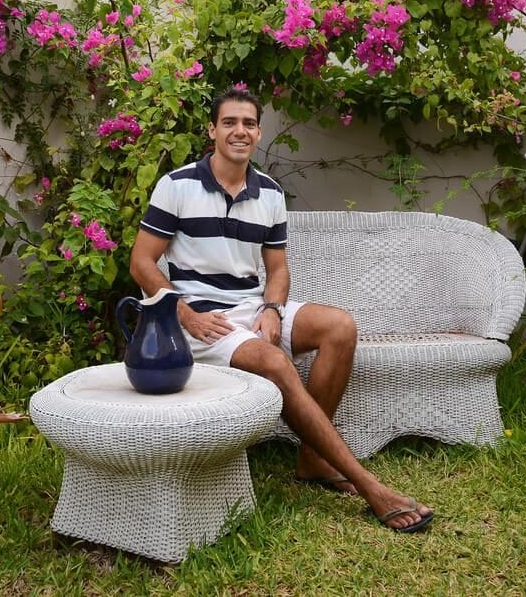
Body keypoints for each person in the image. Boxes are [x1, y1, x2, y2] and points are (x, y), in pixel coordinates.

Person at [129, 87, 433, 533]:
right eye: (229, 122)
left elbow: (278, 268)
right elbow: (140, 262)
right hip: (201, 320)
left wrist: (273, 308)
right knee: (273, 361)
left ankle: (312, 459)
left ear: (258, 132)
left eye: (248, 123)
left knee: (339, 327)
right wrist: (186, 313)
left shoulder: (269, 192)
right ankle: (368, 484)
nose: (239, 131)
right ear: (212, 130)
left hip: (252, 306)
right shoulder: (177, 186)